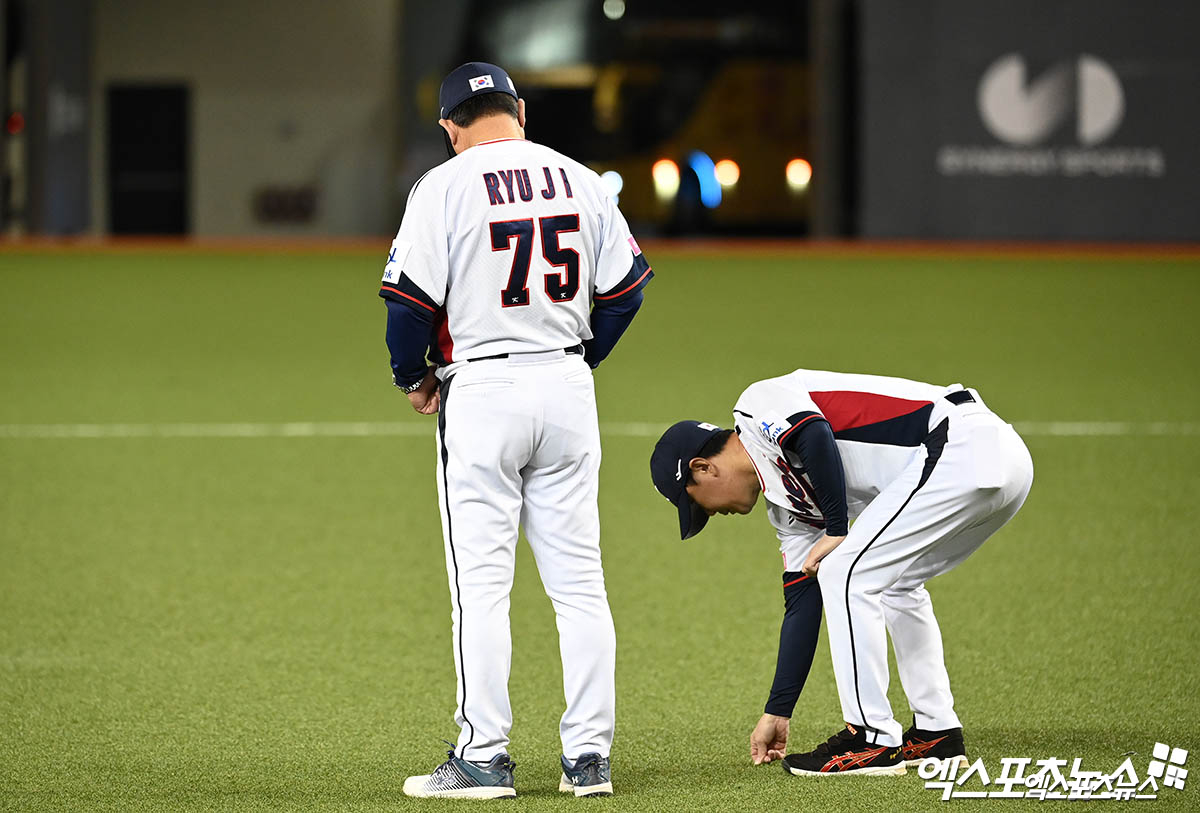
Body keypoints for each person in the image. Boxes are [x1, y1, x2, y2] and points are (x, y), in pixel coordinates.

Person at [383, 62, 652, 799]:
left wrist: (415, 377)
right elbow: (627, 289)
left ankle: (483, 758)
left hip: (484, 388)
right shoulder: (582, 178)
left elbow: (406, 306)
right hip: (568, 387)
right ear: (521, 110)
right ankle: (588, 759)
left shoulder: (443, 186)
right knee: (581, 587)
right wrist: (579, 355)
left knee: (482, 590)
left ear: (448, 126)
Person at [649, 369, 1033, 776]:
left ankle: (871, 738)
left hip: (962, 443)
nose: (709, 513)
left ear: (703, 467)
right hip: (983, 464)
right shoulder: (787, 510)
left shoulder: (757, 405)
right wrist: (778, 710)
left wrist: (836, 528)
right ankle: (937, 732)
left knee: (846, 572)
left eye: (696, 504)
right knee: (894, 583)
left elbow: (813, 434)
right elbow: (801, 603)